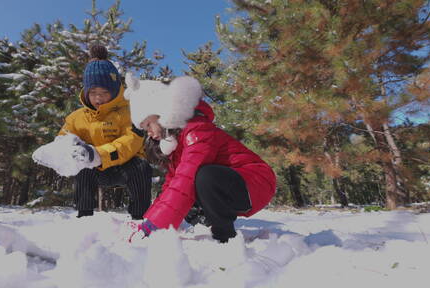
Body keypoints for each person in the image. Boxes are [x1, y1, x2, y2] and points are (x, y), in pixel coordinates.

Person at [123, 73, 276, 243]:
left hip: (255, 181)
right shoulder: (176, 142)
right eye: (145, 129)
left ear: (162, 112)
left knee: (202, 176)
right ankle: (205, 222)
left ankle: (224, 236)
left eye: (148, 125)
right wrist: (149, 221)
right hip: (231, 183)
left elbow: (186, 178)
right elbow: (172, 185)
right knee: (181, 189)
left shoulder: (196, 129)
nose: (149, 133)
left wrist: (154, 226)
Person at [58, 45, 152, 220]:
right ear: (86, 92)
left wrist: (98, 154)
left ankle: (140, 218)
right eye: (93, 92)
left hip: (126, 166)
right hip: (96, 169)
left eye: (104, 92)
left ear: (115, 89)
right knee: (83, 166)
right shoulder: (76, 118)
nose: (98, 98)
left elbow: (131, 141)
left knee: (142, 167)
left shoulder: (130, 112)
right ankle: (84, 216)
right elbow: (62, 140)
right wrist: (66, 150)